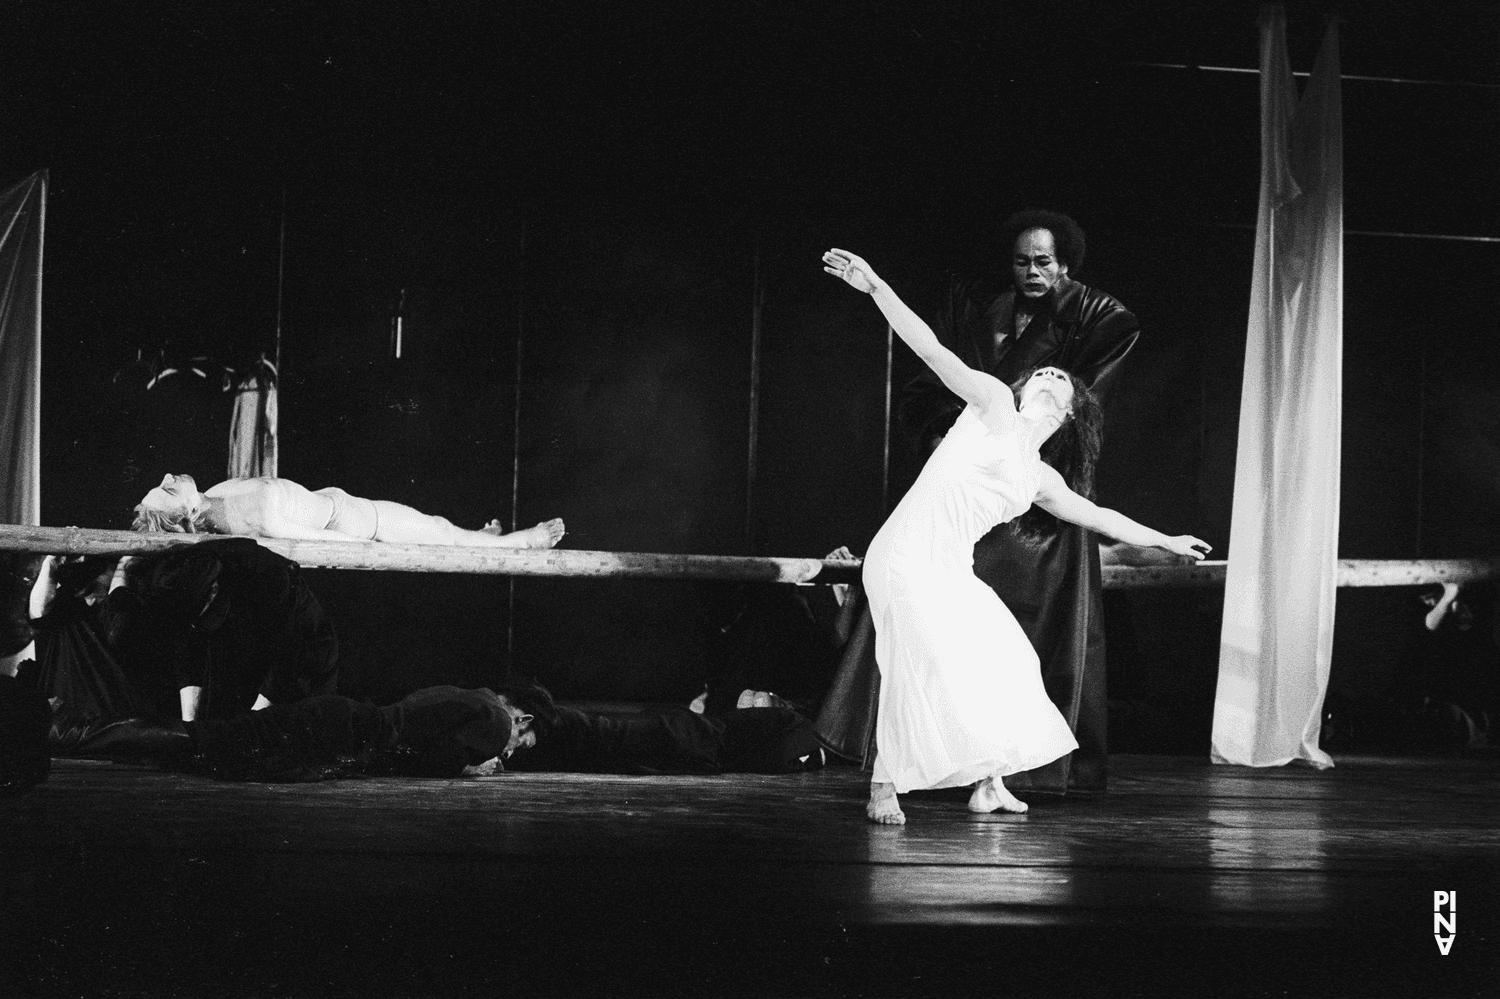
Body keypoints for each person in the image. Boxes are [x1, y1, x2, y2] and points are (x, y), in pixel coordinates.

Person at [823, 248, 1207, 824]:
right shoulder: (993, 407)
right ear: (1025, 390)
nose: (1049, 377)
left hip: (949, 567)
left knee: (1007, 660)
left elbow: (1104, 520)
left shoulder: (1041, 477)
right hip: (903, 556)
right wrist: (876, 287)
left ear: (1071, 416)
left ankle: (989, 782)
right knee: (916, 664)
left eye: (1060, 381)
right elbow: (930, 347)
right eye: (1043, 374)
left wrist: (1169, 541)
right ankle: (884, 787)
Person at [897, 209, 1142, 793]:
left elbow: (1077, 407)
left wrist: (1011, 449)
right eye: (1022, 261)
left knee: (1032, 638)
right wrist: (951, 436)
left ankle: (1032, 771)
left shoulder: (1102, 318)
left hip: (1036, 485)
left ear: (1066, 264)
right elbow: (931, 369)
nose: (1032, 272)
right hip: (971, 482)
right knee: (949, 632)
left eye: (1044, 262)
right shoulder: (979, 307)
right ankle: (942, 764)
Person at [132, 473, 565, 548]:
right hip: (361, 521)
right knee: (442, 534)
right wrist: (368, 545)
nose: (170, 479)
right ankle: (523, 542)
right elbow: (318, 540)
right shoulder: (251, 518)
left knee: (440, 528)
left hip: (342, 504)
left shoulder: (210, 495)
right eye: (166, 491)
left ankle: (477, 539)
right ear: (187, 516)